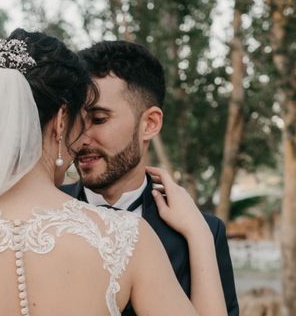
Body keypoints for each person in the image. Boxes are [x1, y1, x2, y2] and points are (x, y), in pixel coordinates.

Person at [0, 29, 227, 316]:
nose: (84, 138)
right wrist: (199, 234)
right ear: (62, 119)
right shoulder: (127, 238)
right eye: (82, 118)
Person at [61, 40, 239, 316]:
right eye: (75, 121)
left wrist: (199, 236)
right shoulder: (42, 218)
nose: (80, 138)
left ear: (150, 124)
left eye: (98, 119)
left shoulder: (203, 231)